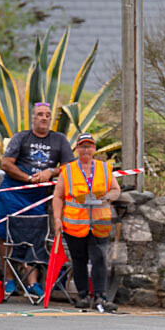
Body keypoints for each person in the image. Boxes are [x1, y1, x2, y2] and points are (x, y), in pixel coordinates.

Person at [0, 102, 75, 297]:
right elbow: (6, 164)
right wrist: (29, 179)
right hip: (13, 194)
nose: (44, 118)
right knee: (7, 236)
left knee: (35, 237)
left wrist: (51, 171)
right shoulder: (21, 137)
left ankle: (32, 283)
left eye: (47, 115)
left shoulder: (59, 140)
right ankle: (9, 280)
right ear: (33, 118)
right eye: (40, 114)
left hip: (38, 198)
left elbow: (70, 167)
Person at [52, 133, 120, 312]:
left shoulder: (105, 168)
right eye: (82, 146)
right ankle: (82, 295)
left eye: (89, 146)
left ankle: (100, 296)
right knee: (79, 260)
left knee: (99, 259)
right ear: (77, 149)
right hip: (75, 224)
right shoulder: (67, 170)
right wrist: (57, 219)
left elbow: (116, 190)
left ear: (94, 149)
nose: (86, 150)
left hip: (99, 223)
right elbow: (58, 196)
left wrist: (107, 197)